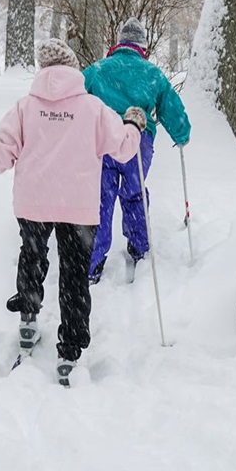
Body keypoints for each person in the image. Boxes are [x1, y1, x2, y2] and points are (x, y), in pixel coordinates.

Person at [0, 38, 147, 386]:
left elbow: (4, 151)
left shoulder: (25, 108)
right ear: (73, 69)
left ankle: (28, 320)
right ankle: (69, 353)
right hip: (78, 207)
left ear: (43, 70)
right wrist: (134, 124)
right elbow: (123, 148)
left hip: (33, 203)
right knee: (74, 277)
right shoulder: (93, 108)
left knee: (32, 256)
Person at [83, 17, 191, 284]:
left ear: (119, 43)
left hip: (104, 139)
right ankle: (139, 246)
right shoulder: (152, 74)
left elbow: (76, 98)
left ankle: (92, 261)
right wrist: (181, 133)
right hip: (139, 142)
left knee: (101, 198)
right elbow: (171, 107)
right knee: (134, 193)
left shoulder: (97, 70)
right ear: (142, 46)